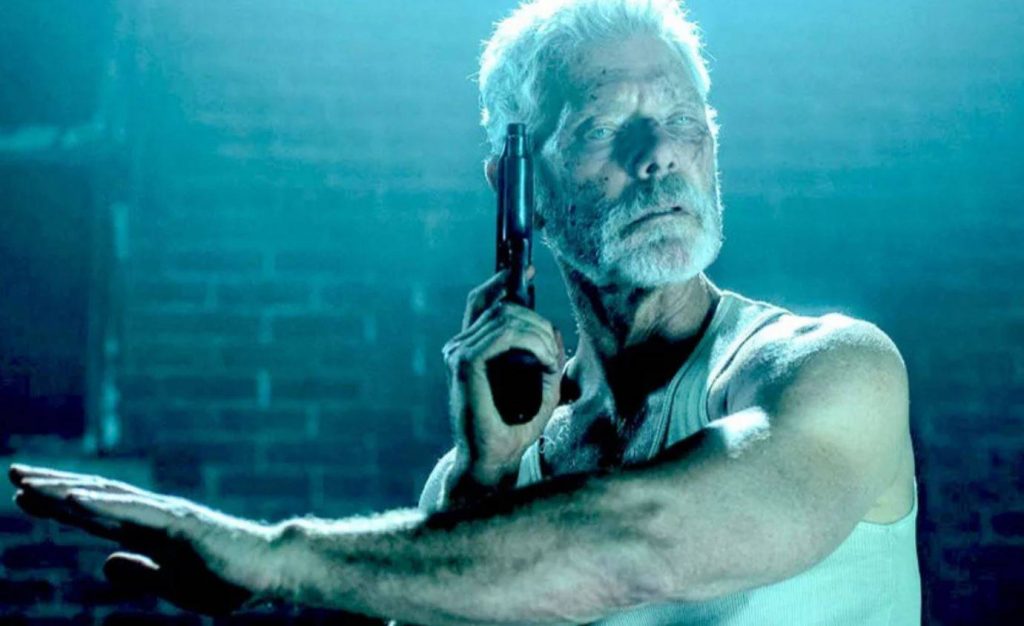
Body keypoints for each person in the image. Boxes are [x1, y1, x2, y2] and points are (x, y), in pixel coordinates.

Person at [8, 0, 921, 624]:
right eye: (603, 127)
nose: (658, 155)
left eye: (682, 119)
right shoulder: (503, 462)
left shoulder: (831, 369)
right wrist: (485, 480)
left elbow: (641, 543)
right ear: (519, 189)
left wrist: (279, 557)